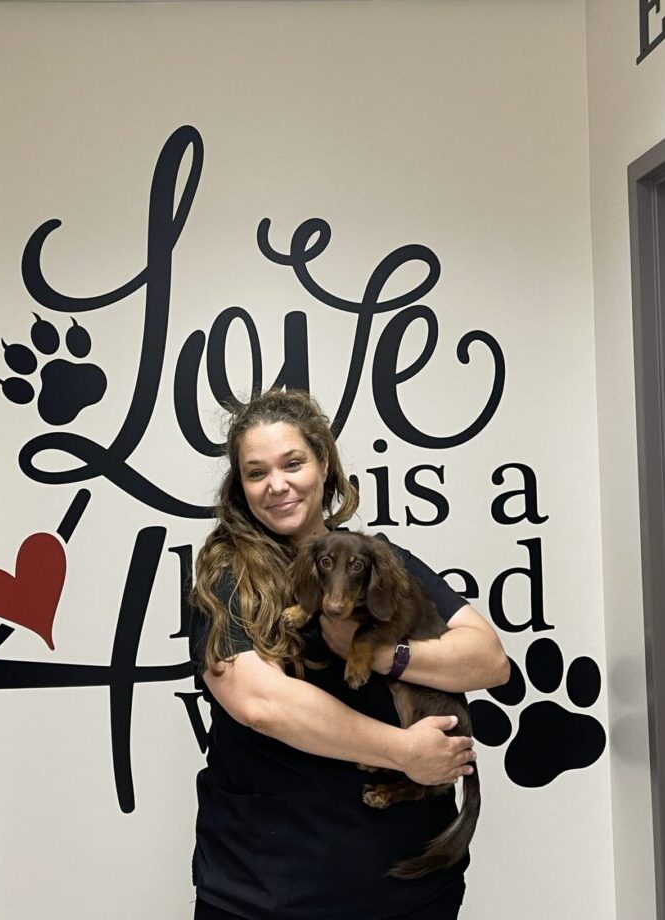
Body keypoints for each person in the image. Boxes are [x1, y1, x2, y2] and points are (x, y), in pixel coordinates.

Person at [189, 389, 510, 920]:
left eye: (293, 463)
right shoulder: (226, 577)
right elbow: (261, 704)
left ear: (323, 464)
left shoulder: (379, 559)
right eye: (255, 473)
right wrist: (405, 753)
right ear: (240, 488)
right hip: (269, 892)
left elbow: (488, 660)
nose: (277, 485)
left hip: (409, 886)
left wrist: (383, 654)